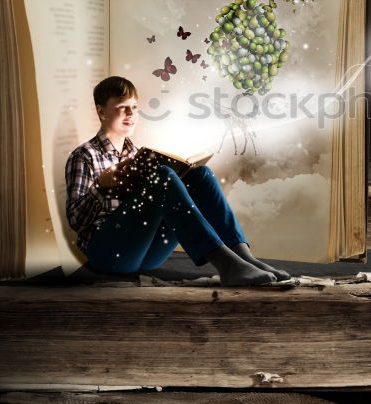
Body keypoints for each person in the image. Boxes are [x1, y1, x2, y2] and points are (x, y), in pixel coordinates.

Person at [64, 76, 290, 286]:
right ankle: (225, 263)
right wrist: (101, 187)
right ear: (102, 112)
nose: (130, 114)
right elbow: (75, 220)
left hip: (145, 254)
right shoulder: (84, 156)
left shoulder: (136, 153)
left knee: (201, 175)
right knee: (163, 176)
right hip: (108, 254)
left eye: (133, 107)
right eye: (122, 107)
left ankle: (243, 257)